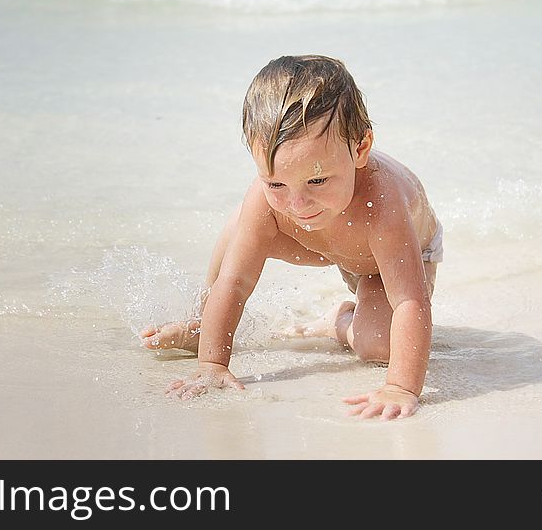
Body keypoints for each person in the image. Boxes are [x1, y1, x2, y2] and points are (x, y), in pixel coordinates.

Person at [140, 55, 442, 420]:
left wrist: (400, 387)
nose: (298, 203)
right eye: (276, 182)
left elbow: (411, 301)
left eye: (316, 180)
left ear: (360, 149)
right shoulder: (276, 201)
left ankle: (338, 323)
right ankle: (206, 324)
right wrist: (213, 364)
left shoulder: (382, 202)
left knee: (380, 345)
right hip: (318, 242)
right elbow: (234, 283)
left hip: (382, 257)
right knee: (245, 221)